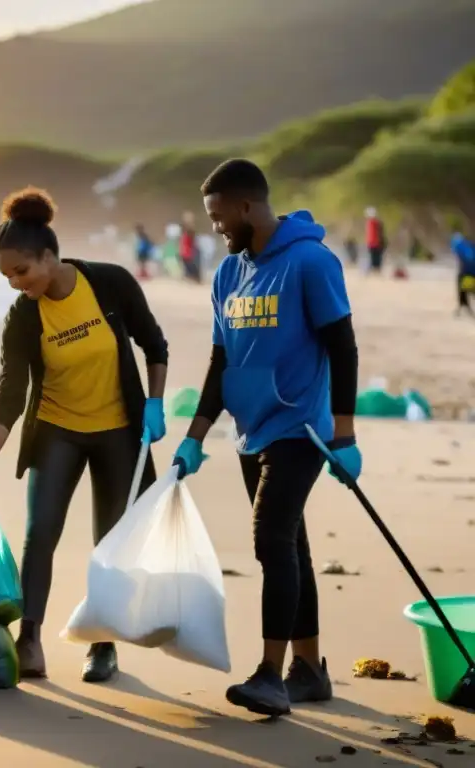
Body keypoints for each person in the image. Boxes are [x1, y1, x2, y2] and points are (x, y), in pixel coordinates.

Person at [173, 159, 362, 717]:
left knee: (270, 540)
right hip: (250, 430)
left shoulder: (310, 261)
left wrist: (345, 436)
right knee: (292, 547)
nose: (215, 228)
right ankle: (308, 670)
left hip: (301, 428)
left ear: (247, 207)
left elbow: (343, 347)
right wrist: (196, 436)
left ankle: (270, 677)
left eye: (218, 216)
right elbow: (220, 360)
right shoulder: (229, 274)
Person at [0, 187, 169, 682]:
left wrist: (156, 401)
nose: (16, 284)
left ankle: (103, 644)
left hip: (119, 430)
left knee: (110, 540)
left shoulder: (109, 283)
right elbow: (10, 392)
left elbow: (154, 343)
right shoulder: (24, 315)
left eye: (22, 271)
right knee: (41, 534)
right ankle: (29, 639)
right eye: (6, 276)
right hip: (57, 429)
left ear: (50, 257)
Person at [451, 232, 475, 317]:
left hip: (466, 272)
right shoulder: (469, 246)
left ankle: (463, 305)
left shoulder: (460, 245)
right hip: (470, 273)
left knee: (462, 286)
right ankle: (464, 306)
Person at [364, 207, 386, 274]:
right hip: (373, 243)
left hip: (375, 243)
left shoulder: (375, 223)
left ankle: (376, 270)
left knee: (375, 257)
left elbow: (379, 234)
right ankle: (375, 270)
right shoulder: (373, 223)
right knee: (374, 257)